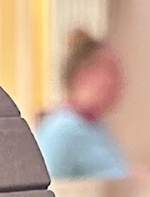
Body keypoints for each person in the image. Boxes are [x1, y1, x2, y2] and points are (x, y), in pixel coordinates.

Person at [35, 28, 129, 179]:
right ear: (83, 75)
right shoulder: (62, 130)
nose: (120, 81)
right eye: (111, 70)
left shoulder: (95, 126)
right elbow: (48, 185)